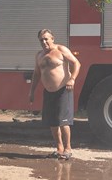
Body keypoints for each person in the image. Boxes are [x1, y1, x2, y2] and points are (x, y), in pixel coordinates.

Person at [28, 28, 81, 160]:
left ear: (52, 38)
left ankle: (68, 148)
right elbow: (36, 74)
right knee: (52, 122)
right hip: (48, 92)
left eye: (46, 38)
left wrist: (72, 79)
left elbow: (76, 63)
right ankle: (59, 148)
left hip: (63, 90)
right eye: (41, 40)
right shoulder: (39, 55)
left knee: (63, 122)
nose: (44, 41)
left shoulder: (61, 50)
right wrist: (31, 91)